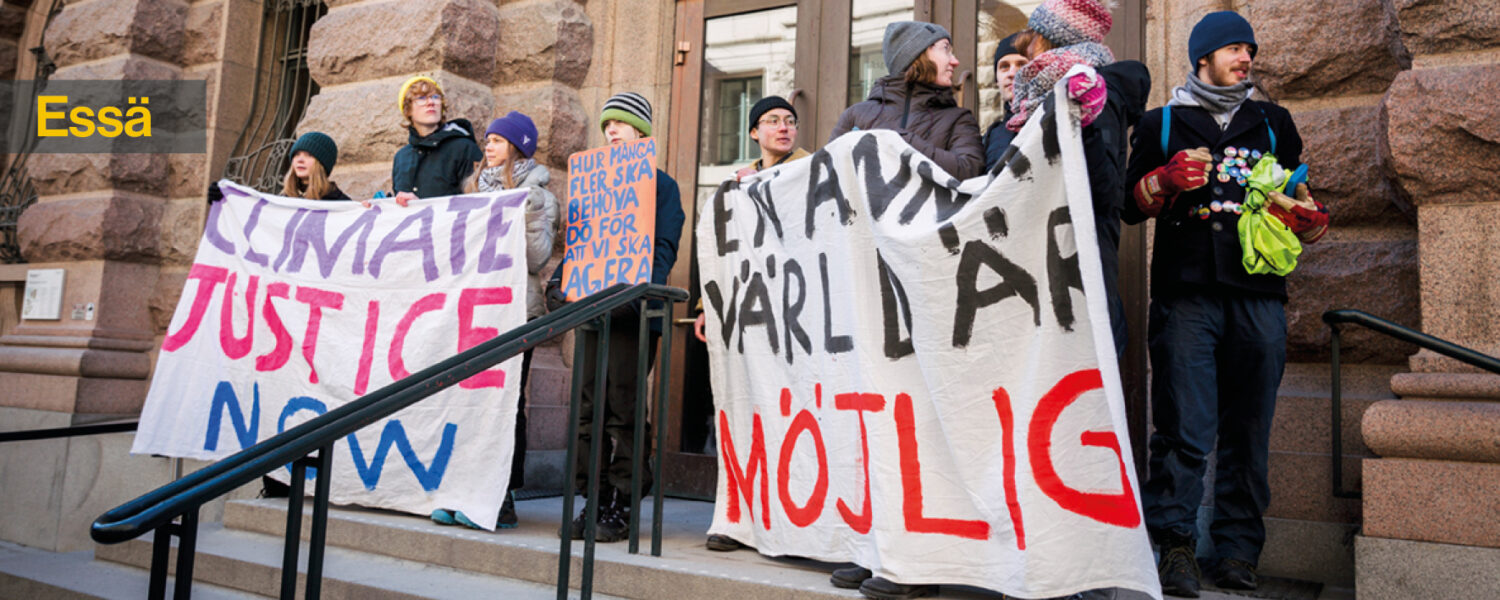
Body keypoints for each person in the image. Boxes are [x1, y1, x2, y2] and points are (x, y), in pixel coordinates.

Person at [1123, 11, 1329, 597]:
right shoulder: (1163, 123)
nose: (1246, 58)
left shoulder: (1272, 123)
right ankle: (1177, 548)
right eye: (1233, 48)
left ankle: (1238, 551)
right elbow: (1128, 205)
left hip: (1258, 295)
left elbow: (1301, 203)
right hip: (1185, 296)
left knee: (1249, 427)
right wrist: (1163, 181)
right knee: (1183, 429)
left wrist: (1308, 217)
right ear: (1202, 58)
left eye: (1249, 49)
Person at [545, 92, 686, 543]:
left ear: (642, 132)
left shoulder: (662, 186)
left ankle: (624, 501)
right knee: (587, 410)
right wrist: (560, 282)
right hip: (592, 310)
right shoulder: (593, 182)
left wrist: (642, 290)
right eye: (607, 124)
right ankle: (594, 496)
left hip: (633, 314)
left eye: (621, 124)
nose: (611, 130)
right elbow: (581, 240)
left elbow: (663, 246)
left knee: (622, 411)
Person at [428, 111, 559, 531]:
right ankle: (464, 488)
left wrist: (524, 213)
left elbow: (537, 259)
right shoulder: (470, 190)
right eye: (487, 140)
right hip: (475, 312)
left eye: (498, 141)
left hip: (517, 312)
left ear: (517, 147)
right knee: (469, 400)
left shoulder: (539, 196)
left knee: (505, 405)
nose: (488, 147)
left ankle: (503, 496)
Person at [697, 94, 812, 553]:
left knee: (796, 413)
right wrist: (710, 303)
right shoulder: (733, 186)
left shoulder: (812, 172)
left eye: (790, 121)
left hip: (797, 317)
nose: (783, 128)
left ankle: (798, 520)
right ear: (753, 133)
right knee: (746, 411)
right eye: (771, 121)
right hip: (748, 318)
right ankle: (739, 517)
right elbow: (720, 253)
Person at [1008, 0, 1151, 356]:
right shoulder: (1041, 91)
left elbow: (1103, 191)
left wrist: (1086, 126)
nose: (1026, 46)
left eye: (1034, 36)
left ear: (1052, 39)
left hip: (1077, 270)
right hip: (1048, 264)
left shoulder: (1090, 91)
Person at [830, 21, 985, 181]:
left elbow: (969, 171)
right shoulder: (855, 116)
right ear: (917, 54)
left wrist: (899, 140)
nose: (955, 61)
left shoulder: (959, 119)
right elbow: (828, 174)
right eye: (946, 49)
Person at [387, 75, 483, 206]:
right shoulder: (401, 158)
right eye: (421, 98)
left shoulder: (464, 148)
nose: (431, 102)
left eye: (435, 97)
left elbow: (479, 203)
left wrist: (422, 207)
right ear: (408, 110)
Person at [981, 32, 1029, 171]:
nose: (1012, 73)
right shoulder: (992, 135)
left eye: (1021, 65)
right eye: (1004, 66)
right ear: (997, 80)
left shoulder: (1050, 121)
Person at [281, 132, 350, 201]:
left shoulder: (337, 202)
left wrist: (359, 209)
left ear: (321, 164)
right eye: (296, 154)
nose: (300, 160)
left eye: (309, 155)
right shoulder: (283, 200)